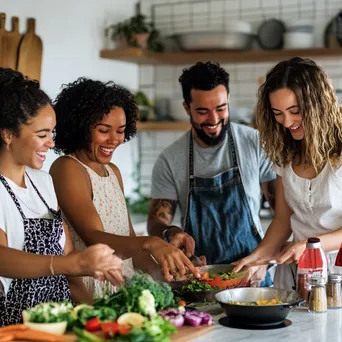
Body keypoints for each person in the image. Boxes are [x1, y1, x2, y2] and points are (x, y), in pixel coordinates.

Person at [50, 77, 198, 297]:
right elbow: (94, 238)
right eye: (104, 130)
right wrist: (151, 242)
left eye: (120, 131)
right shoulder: (67, 168)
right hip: (91, 291)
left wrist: (171, 273)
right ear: (80, 128)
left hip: (123, 289)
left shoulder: (113, 172)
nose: (114, 139)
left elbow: (130, 246)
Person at [0, 68, 123, 326]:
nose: (51, 143)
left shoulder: (44, 183)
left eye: (52, 134)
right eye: (42, 135)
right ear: (8, 134)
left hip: (61, 324)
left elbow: (71, 271)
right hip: (16, 328)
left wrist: (97, 319)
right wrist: (71, 263)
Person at [147, 61, 276, 286]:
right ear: (187, 108)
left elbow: (282, 215)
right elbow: (156, 221)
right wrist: (171, 232)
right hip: (199, 278)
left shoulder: (255, 143)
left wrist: (266, 257)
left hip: (253, 276)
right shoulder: (170, 159)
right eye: (202, 112)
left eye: (221, 108)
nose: (214, 120)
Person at [234, 57, 342, 290]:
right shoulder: (287, 153)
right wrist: (257, 257)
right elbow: (283, 220)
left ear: (318, 105)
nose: (287, 122)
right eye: (278, 113)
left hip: (336, 273)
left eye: (295, 111)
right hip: (295, 273)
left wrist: (310, 246)